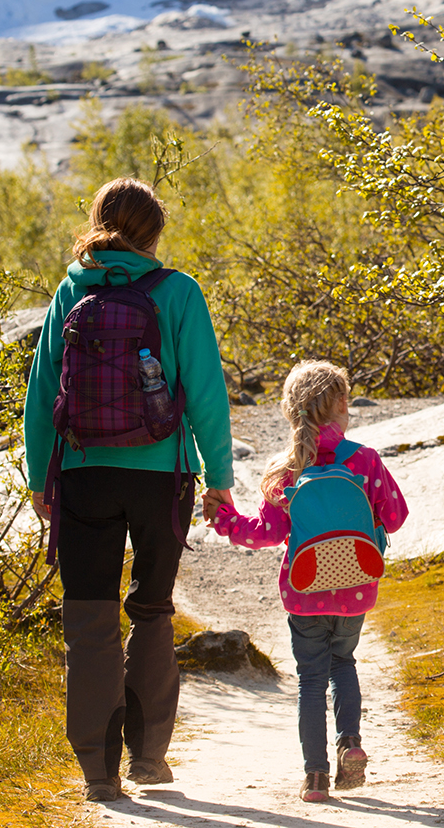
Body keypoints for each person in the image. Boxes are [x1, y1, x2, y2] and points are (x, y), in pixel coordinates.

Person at [24, 177, 235, 803]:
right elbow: (205, 393)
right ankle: (148, 758)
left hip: (84, 472)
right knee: (151, 611)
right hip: (161, 476)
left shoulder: (71, 290)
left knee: (88, 621)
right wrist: (219, 480)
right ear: (155, 233)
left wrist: (42, 478)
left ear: (97, 222)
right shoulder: (178, 292)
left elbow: (41, 394)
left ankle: (98, 773)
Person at [204, 361, 409, 803]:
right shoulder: (365, 460)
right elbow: (397, 516)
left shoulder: (287, 469)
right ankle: (350, 744)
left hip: (304, 591)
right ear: (339, 405)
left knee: (311, 681)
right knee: (344, 664)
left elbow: (265, 533)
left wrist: (224, 518)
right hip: (357, 589)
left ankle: (315, 778)